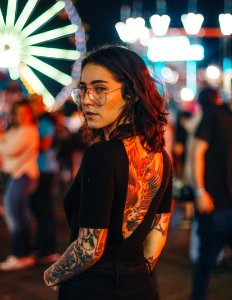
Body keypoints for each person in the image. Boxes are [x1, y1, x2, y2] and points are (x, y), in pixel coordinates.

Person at [44, 44, 173, 300]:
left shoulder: (101, 155)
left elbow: (90, 247)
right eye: (84, 89)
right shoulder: (161, 156)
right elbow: (158, 233)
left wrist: (52, 275)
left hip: (92, 287)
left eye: (100, 89)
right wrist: (134, 274)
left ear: (131, 93)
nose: (88, 100)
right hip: (141, 286)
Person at [190, 87, 232, 300]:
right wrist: (199, 191)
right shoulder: (216, 114)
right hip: (215, 206)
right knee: (204, 266)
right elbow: (196, 152)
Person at [0, 100, 39, 270]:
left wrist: (3, 142)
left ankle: (19, 255)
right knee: (21, 215)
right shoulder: (17, 130)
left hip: (22, 175)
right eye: (19, 113)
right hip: (18, 175)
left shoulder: (28, 130)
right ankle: (25, 253)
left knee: (14, 216)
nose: (22, 117)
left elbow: (9, 150)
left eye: (25, 113)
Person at [29, 95, 60, 263]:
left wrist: (27, 142)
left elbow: (45, 145)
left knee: (44, 210)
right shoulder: (37, 122)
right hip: (38, 170)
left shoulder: (45, 123)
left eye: (35, 104)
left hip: (45, 170)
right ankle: (42, 245)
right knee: (38, 210)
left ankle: (49, 248)